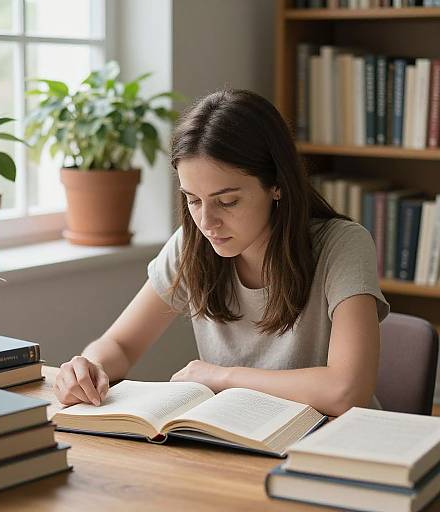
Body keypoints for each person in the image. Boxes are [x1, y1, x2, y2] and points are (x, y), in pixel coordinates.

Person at [54, 89, 389, 417]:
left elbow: (347, 390)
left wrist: (220, 377)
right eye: (193, 200)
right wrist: (90, 365)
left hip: (332, 446)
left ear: (277, 185)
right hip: (242, 442)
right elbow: (120, 346)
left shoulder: (342, 245)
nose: (206, 222)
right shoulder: (191, 243)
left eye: (227, 201)